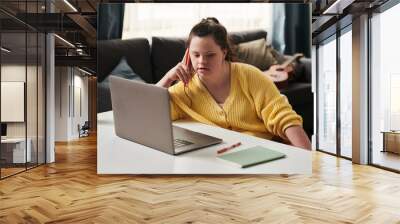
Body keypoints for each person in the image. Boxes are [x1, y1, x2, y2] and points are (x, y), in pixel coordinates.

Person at [156, 17, 311, 150]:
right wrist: (167, 78)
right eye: (196, 55)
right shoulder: (185, 88)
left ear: (224, 52)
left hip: (262, 150)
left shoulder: (251, 76)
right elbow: (147, 111)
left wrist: (307, 160)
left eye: (210, 55)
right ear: (188, 55)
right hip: (215, 159)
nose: (202, 61)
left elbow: (285, 119)